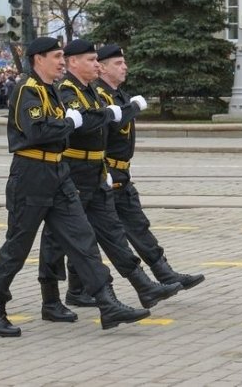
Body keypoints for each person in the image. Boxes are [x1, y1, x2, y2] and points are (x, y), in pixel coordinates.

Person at [0, 36, 150, 337]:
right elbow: (36, 131)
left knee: (83, 238)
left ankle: (107, 303)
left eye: (63, 56)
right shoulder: (28, 90)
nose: (62, 61)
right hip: (31, 173)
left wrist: (77, 122)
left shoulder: (51, 91)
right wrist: (69, 124)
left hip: (58, 171)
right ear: (38, 59)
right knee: (17, 247)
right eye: (57, 56)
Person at [37, 39, 181, 319]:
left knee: (112, 232)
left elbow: (103, 123)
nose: (96, 65)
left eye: (96, 60)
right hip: (74, 174)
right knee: (57, 239)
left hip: (96, 172)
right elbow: (85, 124)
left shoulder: (90, 91)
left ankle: (143, 285)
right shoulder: (67, 90)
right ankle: (51, 299)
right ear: (74, 62)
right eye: (91, 60)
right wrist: (114, 113)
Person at [94, 44, 205, 293]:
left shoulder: (119, 94)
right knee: (95, 233)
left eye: (124, 63)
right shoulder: (98, 95)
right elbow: (108, 125)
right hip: (104, 173)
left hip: (122, 173)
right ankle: (76, 290)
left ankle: (164, 272)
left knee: (137, 224)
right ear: (101, 67)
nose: (125, 67)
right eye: (118, 64)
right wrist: (133, 107)